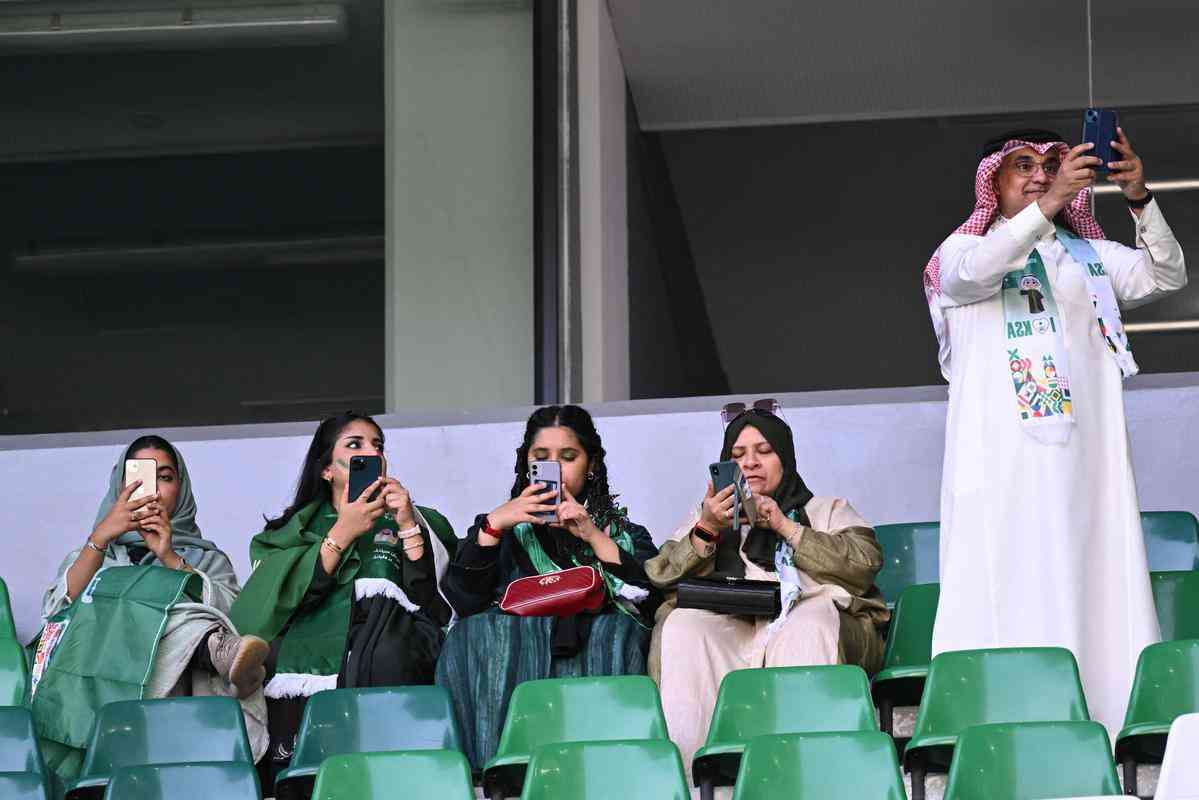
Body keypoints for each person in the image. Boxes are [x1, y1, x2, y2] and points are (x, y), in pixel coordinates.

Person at [922, 127, 1187, 737]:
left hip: (1084, 472)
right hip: (1000, 472)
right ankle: (998, 727)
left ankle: (1102, 721)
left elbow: (1165, 277)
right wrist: (1044, 211)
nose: (1041, 176)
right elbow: (972, 277)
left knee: (1090, 579)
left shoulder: (1087, 256)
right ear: (994, 180)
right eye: (1025, 166)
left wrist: (1141, 199)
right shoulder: (965, 248)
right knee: (1005, 584)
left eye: (1052, 166)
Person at [645, 406, 887, 778]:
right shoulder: (710, 514)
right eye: (738, 455)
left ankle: (805, 774)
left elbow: (864, 562)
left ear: (785, 457)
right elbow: (661, 575)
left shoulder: (825, 509)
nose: (751, 463)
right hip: (735, 625)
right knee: (684, 627)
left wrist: (785, 526)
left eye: (764, 451)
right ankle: (697, 774)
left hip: (811, 622)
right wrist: (709, 528)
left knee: (810, 623)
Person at [228, 412, 457, 784]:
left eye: (378, 446)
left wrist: (407, 524)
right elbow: (276, 603)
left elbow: (432, 602)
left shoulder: (413, 519)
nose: (372, 453)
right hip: (312, 658)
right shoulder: (292, 530)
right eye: (355, 445)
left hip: (388, 651)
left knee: (390, 654)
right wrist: (342, 533)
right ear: (326, 470)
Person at [32, 435, 268, 793]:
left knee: (175, 596)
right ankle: (214, 650)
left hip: (180, 703)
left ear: (181, 489)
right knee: (128, 592)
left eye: (166, 477)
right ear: (119, 487)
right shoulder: (96, 555)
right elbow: (56, 614)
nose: (153, 489)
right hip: (98, 689)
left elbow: (234, 617)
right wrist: (100, 538)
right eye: (140, 477)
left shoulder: (206, 559)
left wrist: (170, 557)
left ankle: (214, 651)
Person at [436, 405, 660, 770]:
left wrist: (590, 532)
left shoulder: (623, 533)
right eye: (542, 457)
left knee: (614, 634)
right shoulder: (504, 528)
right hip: (517, 631)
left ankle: (600, 771)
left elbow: (648, 596)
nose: (554, 468)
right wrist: (494, 525)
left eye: (568, 457)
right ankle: (498, 770)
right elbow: (462, 600)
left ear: (592, 465)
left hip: (594, 628)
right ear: (527, 463)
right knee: (471, 635)